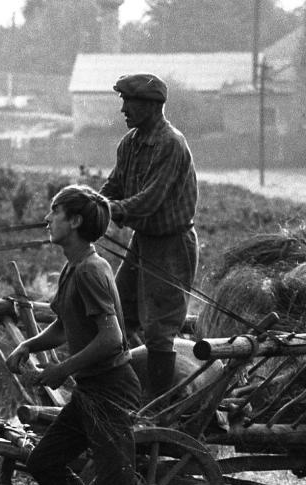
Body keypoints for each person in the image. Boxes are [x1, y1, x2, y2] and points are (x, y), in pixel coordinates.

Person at [5, 184, 141, 485]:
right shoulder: (74, 267)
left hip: (111, 392)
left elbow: (112, 338)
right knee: (43, 463)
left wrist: (62, 369)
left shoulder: (89, 271)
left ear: (75, 222)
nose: (47, 218)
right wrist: (28, 346)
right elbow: (64, 325)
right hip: (90, 392)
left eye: (55, 211)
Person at [100, 73, 199, 403]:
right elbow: (114, 187)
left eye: (129, 102)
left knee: (159, 330)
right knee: (118, 311)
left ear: (152, 106)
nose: (124, 109)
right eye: (123, 101)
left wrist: (104, 212)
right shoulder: (129, 143)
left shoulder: (171, 144)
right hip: (143, 241)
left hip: (172, 245)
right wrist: (90, 204)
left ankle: (158, 404)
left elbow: (148, 200)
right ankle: (121, 392)